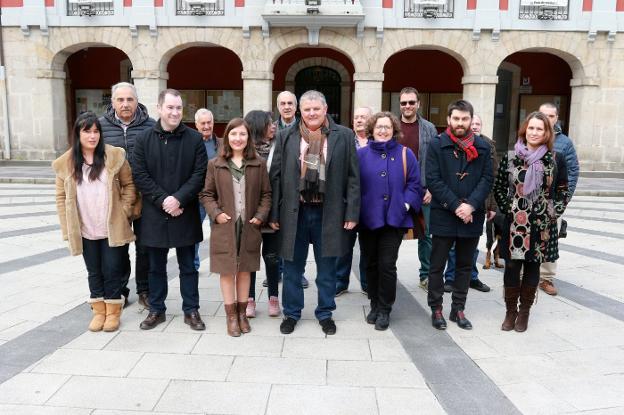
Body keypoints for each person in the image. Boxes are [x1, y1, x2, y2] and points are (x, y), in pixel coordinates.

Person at [269, 90, 360, 335]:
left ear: (325, 109)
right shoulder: (285, 136)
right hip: (294, 212)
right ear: (300, 110)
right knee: (292, 267)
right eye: (307, 109)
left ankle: (325, 312)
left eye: (316, 109)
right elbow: (275, 178)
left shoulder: (345, 136)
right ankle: (292, 313)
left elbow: (353, 178)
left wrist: (352, 213)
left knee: (327, 267)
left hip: (328, 212)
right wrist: (273, 215)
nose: (311, 113)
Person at [53, 112, 138, 332]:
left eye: (96, 131)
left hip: (111, 227)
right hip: (85, 228)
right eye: (87, 131)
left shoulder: (114, 157)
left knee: (112, 270)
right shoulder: (66, 164)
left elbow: (130, 186)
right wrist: (67, 229)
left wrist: (125, 210)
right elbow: (61, 198)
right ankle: (98, 312)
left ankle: (112, 313)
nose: (92, 136)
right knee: (94, 271)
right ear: (77, 134)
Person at [132, 89, 208, 331]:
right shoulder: (143, 139)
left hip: (184, 211)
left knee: (188, 266)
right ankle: (157, 309)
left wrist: (179, 200)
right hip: (154, 213)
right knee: (156, 266)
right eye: (170, 107)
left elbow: (199, 175)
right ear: (159, 108)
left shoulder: (194, 139)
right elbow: (140, 174)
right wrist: (164, 200)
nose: (175, 112)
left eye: (178, 108)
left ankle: (191, 310)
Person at [494, 111, 569, 332]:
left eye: (540, 129)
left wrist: (553, 211)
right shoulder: (510, 157)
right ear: (524, 130)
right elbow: (499, 188)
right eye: (531, 128)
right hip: (515, 223)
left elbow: (563, 189)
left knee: (533, 267)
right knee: (511, 266)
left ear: (547, 133)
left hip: (541, 225)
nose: (535, 132)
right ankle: (510, 311)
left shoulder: (555, 159)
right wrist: (508, 208)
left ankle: (524, 312)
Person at [200, 118, 272, 336]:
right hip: (225, 227)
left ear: (248, 137)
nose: (238, 138)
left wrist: (260, 216)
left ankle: (242, 313)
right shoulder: (216, 164)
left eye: (242, 134)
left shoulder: (258, 163)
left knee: (244, 270)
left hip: (249, 226)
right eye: (233, 134)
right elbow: (207, 194)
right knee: (227, 271)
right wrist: (216, 214)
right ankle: (231, 316)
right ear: (227, 137)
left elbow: (266, 194)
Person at [426, 100, 493, 331]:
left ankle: (458, 309)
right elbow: (433, 179)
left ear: (471, 120)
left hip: (471, 216)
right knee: (437, 266)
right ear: (449, 120)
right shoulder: (436, 144)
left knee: (465, 266)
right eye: (456, 119)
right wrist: (456, 206)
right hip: (444, 214)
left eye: (465, 119)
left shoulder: (483, 147)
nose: (461, 123)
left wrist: (472, 205)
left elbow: (487, 180)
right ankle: (436, 308)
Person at [358, 112, 423, 330]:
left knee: (387, 265)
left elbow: (415, 184)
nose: (383, 131)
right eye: (379, 127)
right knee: (370, 263)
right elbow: (354, 185)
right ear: (372, 130)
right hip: (368, 219)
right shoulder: (361, 155)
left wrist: (404, 205)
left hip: (394, 220)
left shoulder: (406, 154)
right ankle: (374, 304)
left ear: (394, 130)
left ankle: (385, 309)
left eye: (387, 127)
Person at [99, 82, 156, 309]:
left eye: (129, 99)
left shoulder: (152, 126)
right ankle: (120, 290)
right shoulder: (100, 127)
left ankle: (145, 290)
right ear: (112, 102)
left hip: (145, 197)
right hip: (114, 198)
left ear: (136, 101)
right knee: (118, 246)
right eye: (120, 100)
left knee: (145, 247)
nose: (125, 104)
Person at [442, 114, 497, 293]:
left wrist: (492, 206)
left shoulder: (488, 146)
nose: (474, 126)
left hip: (479, 204)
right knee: (452, 245)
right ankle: (450, 278)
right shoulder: (454, 143)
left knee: (472, 245)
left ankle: (471, 277)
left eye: (477, 124)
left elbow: (492, 178)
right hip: (455, 203)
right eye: (471, 123)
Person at [397, 87, 438, 290]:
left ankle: (426, 275)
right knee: (392, 234)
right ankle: (388, 275)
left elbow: (434, 160)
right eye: (404, 103)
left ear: (418, 104)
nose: (407, 106)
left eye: (411, 102)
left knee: (427, 235)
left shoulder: (429, 128)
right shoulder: (392, 126)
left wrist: (431, 188)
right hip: (397, 190)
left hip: (423, 189)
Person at [537, 103, 579, 296]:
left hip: (554, 201)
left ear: (556, 118)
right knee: (527, 237)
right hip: (529, 202)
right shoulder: (530, 135)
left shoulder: (565, 143)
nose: (547, 118)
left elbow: (572, 171)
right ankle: (524, 274)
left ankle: (546, 278)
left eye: (551, 115)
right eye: (543, 114)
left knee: (550, 238)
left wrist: (564, 201)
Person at [244, 110, 282, 318]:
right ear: (258, 126)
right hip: (250, 214)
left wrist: (275, 214)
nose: (273, 126)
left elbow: (281, 184)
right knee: (250, 257)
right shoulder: (244, 151)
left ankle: (273, 297)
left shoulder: (279, 148)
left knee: (272, 257)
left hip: (273, 212)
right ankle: (249, 299)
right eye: (269, 123)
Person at [272, 90, 309, 289]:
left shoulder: (303, 128)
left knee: (296, 238)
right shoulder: (271, 129)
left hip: (299, 190)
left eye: (290, 103)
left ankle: (297, 273)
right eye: (283, 103)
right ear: (278, 106)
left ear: (296, 107)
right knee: (279, 236)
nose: (286, 107)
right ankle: (276, 271)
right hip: (279, 186)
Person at [335, 106, 372, 297]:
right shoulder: (345, 139)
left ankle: (366, 282)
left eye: (363, 117)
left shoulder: (376, 142)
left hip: (370, 202)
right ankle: (341, 282)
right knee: (344, 244)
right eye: (356, 117)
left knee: (368, 246)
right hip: (347, 201)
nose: (358, 120)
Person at [194, 108, 220, 271]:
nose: (206, 126)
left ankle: (218, 264)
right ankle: (193, 265)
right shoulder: (190, 143)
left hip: (215, 197)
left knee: (218, 232)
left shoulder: (222, 143)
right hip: (196, 197)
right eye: (202, 123)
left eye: (209, 122)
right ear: (196, 125)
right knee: (195, 233)